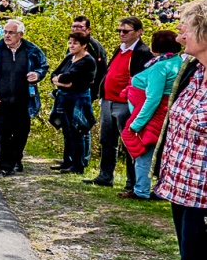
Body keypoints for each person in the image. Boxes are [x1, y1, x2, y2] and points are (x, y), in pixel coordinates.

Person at [150, 0, 207, 260]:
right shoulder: (194, 71)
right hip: (181, 187)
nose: (180, 33)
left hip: (203, 195)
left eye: (187, 27)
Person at [85, 17, 152, 190]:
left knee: (129, 142)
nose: (121, 34)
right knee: (107, 140)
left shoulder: (142, 52)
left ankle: (133, 181)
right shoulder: (120, 49)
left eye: (126, 31)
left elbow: (142, 78)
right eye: (119, 31)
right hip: (109, 100)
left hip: (125, 103)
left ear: (138, 32)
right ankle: (105, 175)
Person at [0, 19, 49, 177]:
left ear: (20, 35)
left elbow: (43, 66)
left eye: (11, 33)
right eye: (5, 32)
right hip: (1, 100)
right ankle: (4, 166)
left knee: (21, 132)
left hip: (24, 100)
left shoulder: (31, 50)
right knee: (2, 133)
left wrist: (37, 74)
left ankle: (16, 160)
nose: (7, 35)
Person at [119, 30, 183, 200]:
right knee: (162, 153)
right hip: (164, 114)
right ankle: (160, 189)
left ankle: (141, 190)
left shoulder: (162, 66)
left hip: (152, 116)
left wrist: (137, 123)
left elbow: (153, 98)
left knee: (143, 152)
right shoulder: (176, 61)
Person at [49, 32, 98, 174]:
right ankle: (67, 162)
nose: (71, 46)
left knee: (77, 131)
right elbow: (55, 74)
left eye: (75, 43)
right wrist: (62, 82)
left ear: (84, 45)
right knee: (67, 131)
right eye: (70, 43)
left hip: (79, 100)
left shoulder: (88, 61)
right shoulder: (70, 57)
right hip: (65, 99)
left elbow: (68, 77)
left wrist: (62, 81)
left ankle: (78, 165)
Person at [70, 16, 109, 101]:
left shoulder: (92, 47)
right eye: (74, 27)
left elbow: (100, 71)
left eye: (80, 27)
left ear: (88, 29)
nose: (76, 29)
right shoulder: (74, 44)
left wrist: (93, 93)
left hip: (84, 92)